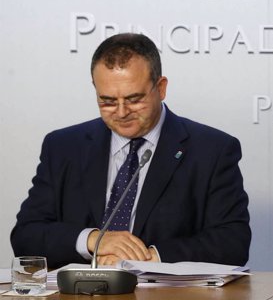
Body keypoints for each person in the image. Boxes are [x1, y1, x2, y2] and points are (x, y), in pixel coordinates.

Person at [11, 33, 251, 268]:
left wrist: (146, 259)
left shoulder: (212, 150)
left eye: (134, 99)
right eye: (107, 101)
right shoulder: (63, 147)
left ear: (161, 88)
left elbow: (232, 242)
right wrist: (95, 240)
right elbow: (25, 236)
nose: (122, 112)